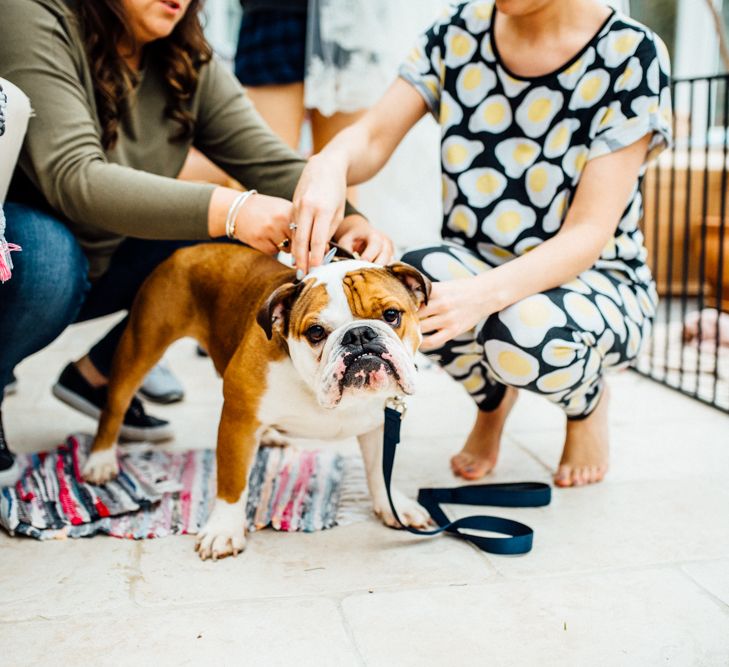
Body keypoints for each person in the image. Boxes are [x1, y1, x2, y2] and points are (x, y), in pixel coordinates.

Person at [0, 0, 390, 486]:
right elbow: (73, 176)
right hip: (25, 252)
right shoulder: (30, 12)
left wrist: (348, 220)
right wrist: (232, 210)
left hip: (109, 255)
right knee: (46, 262)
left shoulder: (182, 50)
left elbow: (267, 161)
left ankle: (100, 373)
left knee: (246, 244)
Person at [292, 0, 672, 487]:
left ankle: (587, 403)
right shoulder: (456, 32)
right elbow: (371, 138)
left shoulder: (631, 52)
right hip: (477, 261)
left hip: (597, 279)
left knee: (521, 329)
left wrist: (482, 295)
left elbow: (588, 235)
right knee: (414, 282)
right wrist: (330, 164)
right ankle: (491, 402)